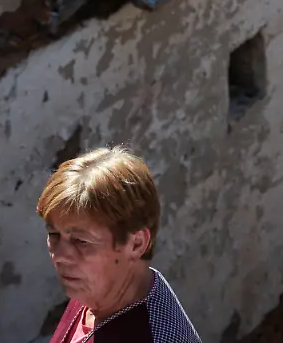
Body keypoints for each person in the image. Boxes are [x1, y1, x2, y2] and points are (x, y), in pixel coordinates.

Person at [37, 145, 202, 343]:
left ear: (136, 244)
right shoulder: (99, 290)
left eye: (81, 241)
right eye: (53, 234)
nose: (60, 255)